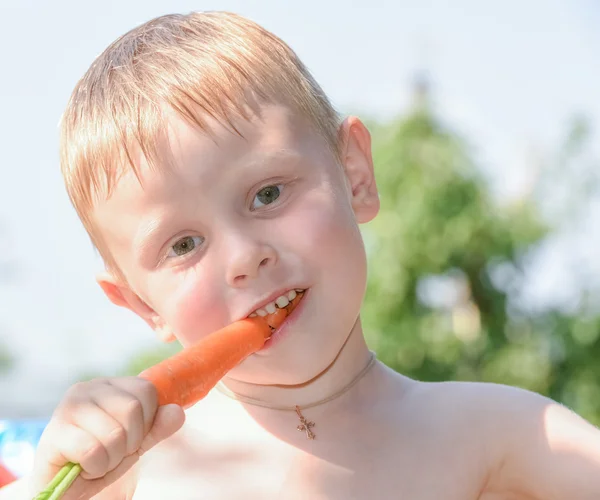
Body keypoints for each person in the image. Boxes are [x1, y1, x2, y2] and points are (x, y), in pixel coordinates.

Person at [3, 11, 600, 500]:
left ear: (354, 174)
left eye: (267, 194)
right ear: (139, 304)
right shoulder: (127, 471)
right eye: (183, 245)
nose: (243, 256)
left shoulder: (493, 433)